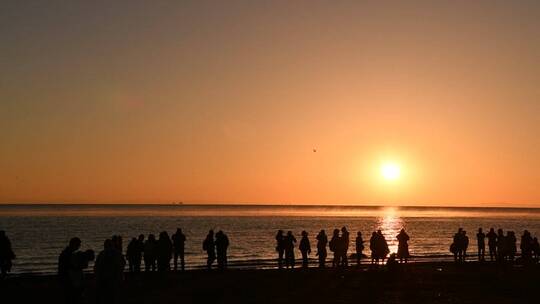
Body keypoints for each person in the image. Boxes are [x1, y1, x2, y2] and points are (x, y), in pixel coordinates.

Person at [58, 237, 94, 304]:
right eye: (78, 245)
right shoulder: (68, 254)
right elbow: (71, 267)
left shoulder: (68, 253)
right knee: (72, 298)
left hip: (67, 280)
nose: (79, 247)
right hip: (68, 281)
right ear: (74, 244)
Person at [94, 239, 125, 304]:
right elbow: (122, 264)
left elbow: (97, 266)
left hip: (104, 279)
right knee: (114, 296)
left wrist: (97, 278)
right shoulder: (118, 253)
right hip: (115, 278)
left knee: (105, 296)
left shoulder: (102, 254)